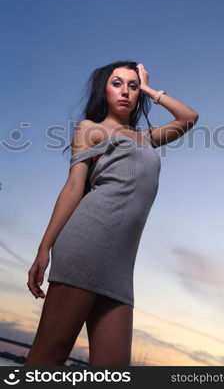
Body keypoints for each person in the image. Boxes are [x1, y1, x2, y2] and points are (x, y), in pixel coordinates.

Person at [25, 61, 199, 366]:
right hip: (85, 244)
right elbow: (73, 188)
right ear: (103, 89)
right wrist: (44, 248)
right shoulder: (89, 129)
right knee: (48, 357)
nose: (126, 91)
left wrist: (149, 90)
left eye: (133, 86)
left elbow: (189, 117)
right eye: (117, 83)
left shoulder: (147, 138)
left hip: (121, 264)